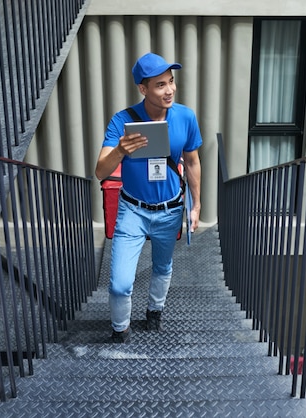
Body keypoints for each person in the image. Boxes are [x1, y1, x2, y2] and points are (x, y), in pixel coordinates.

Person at [95, 52, 202, 343]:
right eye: (160, 85)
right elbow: (100, 171)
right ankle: (120, 331)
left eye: (171, 82)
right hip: (133, 211)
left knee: (162, 267)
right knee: (119, 285)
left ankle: (155, 311)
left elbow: (192, 162)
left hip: (170, 209)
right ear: (143, 89)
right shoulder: (123, 120)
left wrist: (196, 205)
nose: (169, 90)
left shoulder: (185, 116)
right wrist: (120, 150)